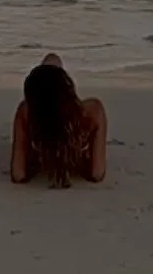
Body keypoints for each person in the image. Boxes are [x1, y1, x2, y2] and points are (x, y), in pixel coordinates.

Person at [10, 53, 107, 187]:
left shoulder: (27, 112)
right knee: (53, 60)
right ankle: (53, 79)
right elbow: (97, 173)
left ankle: (48, 81)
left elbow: (18, 174)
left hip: (45, 143)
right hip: (72, 136)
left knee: (51, 60)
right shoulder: (91, 111)